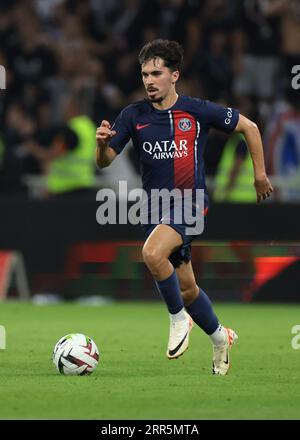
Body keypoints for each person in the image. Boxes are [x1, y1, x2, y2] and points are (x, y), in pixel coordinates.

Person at [95, 39, 273, 375]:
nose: (149, 79)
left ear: (174, 75)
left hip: (191, 204)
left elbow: (249, 127)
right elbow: (105, 163)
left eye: (156, 73)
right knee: (188, 288)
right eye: (145, 73)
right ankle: (221, 337)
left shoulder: (197, 110)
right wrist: (102, 146)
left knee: (151, 254)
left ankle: (179, 321)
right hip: (154, 209)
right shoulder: (133, 115)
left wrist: (260, 175)